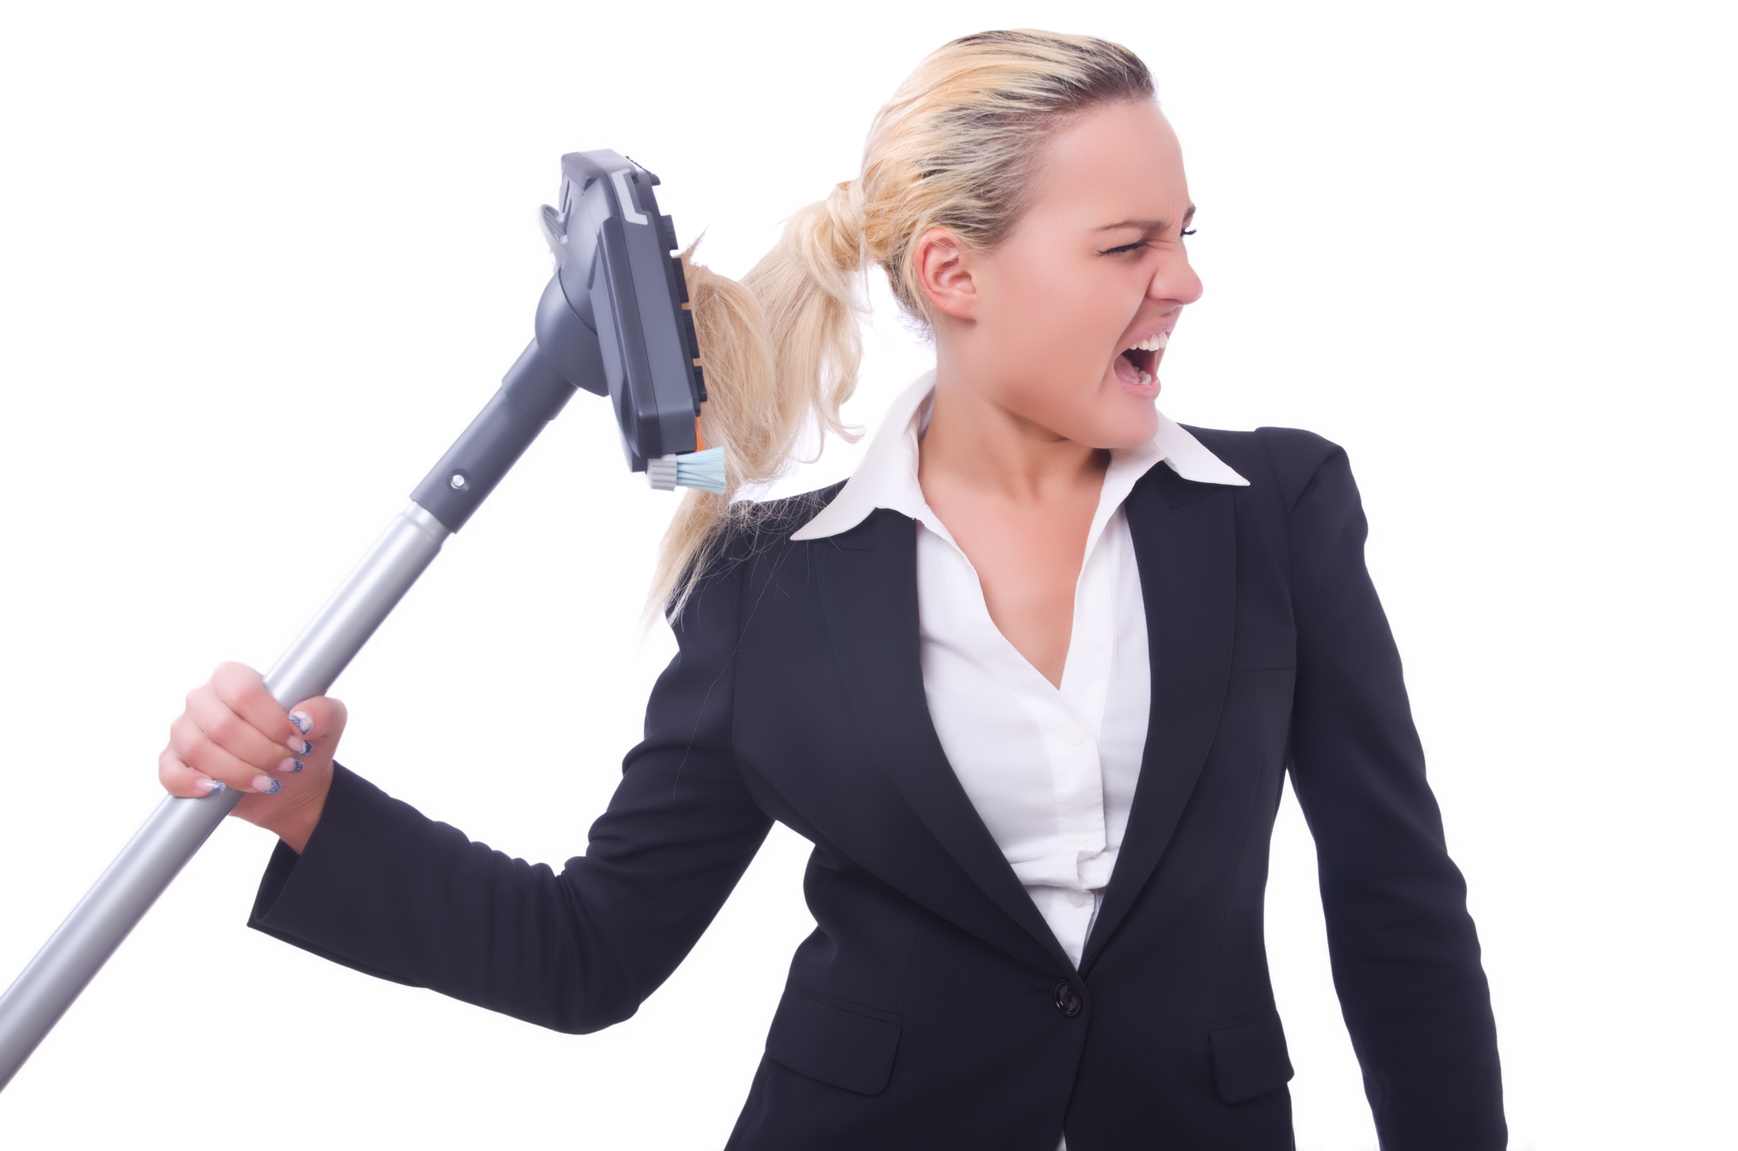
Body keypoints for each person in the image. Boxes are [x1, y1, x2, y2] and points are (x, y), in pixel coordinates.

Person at [158, 29, 1505, 1151]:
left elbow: (1390, 895)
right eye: (1125, 245)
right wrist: (312, 808)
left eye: (1184, 234)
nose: (1185, 280)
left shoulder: (1275, 513)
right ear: (951, 274)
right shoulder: (766, 587)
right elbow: (590, 952)